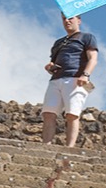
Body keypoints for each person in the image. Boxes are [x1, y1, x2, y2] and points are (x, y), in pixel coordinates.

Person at [42, 13, 98, 147]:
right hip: (56, 79)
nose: (67, 21)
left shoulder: (87, 37)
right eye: (64, 19)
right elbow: (53, 62)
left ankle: (70, 149)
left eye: (70, 18)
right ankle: (46, 146)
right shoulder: (59, 42)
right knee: (48, 113)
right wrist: (50, 67)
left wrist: (85, 74)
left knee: (72, 114)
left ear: (78, 20)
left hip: (75, 79)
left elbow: (93, 58)